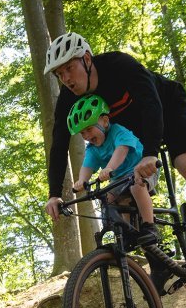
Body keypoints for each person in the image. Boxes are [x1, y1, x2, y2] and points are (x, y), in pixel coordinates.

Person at [42, 32, 186, 294]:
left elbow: (151, 103)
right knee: (122, 196)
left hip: (167, 107)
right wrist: (54, 193)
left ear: (86, 59)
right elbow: (59, 143)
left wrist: (150, 152)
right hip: (131, 133)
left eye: (69, 68)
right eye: (59, 74)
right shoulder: (68, 98)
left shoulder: (119, 65)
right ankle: (158, 261)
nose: (65, 79)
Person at [68, 94, 159, 243]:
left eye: (89, 129)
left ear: (104, 121)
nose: (86, 136)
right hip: (120, 179)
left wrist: (109, 167)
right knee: (107, 198)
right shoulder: (92, 149)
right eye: (82, 133)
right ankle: (127, 232)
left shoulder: (118, 131)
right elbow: (87, 166)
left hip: (142, 169)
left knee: (137, 186)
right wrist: (81, 181)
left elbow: (121, 150)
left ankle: (149, 226)